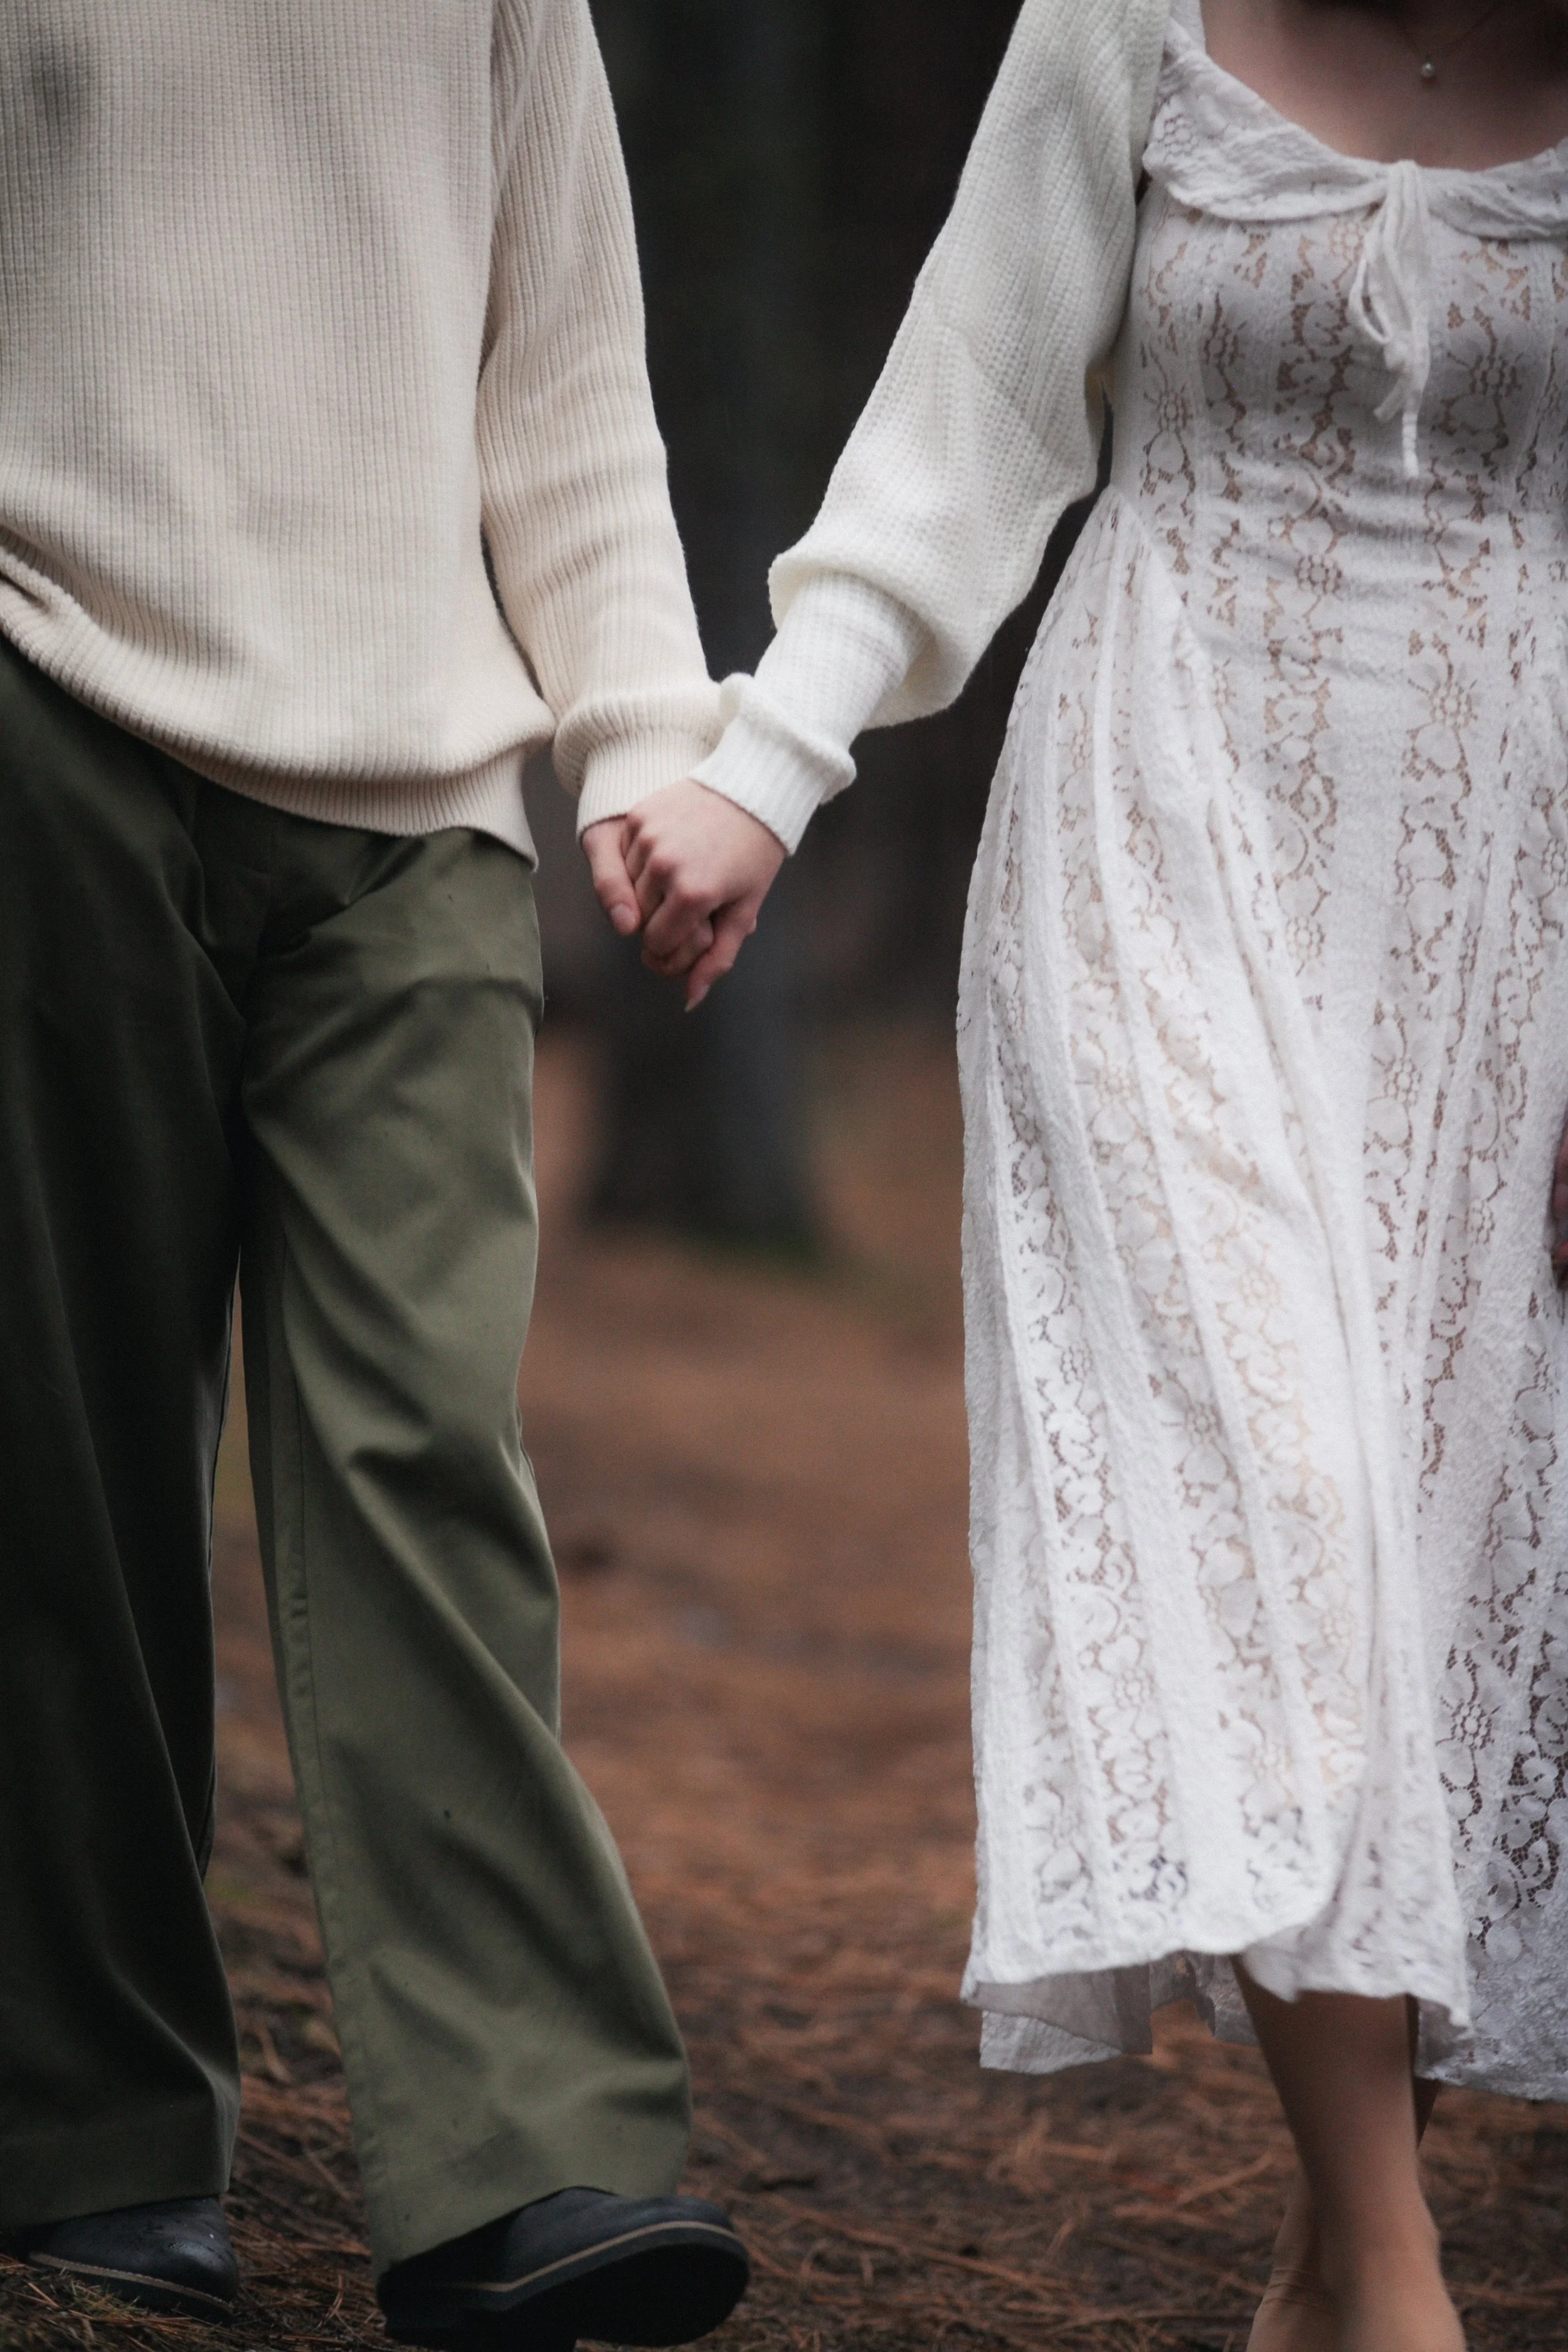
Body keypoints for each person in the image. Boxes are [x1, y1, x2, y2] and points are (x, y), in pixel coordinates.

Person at [595, 3, 1568, 2346]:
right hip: (1156, 821)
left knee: (1418, 1584)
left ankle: (1324, 2258)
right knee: (1263, 1511)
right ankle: (1410, 2288)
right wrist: (766, 758)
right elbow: (968, 418)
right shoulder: (1130, 18)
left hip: (1496, 913)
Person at [0, 3, 754, 2346]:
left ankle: (526, 2151)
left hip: (419, 790)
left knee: (425, 1432)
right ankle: (88, 2128)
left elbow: (567, 382)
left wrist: (643, 725)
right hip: (45, 705)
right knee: (72, 1446)